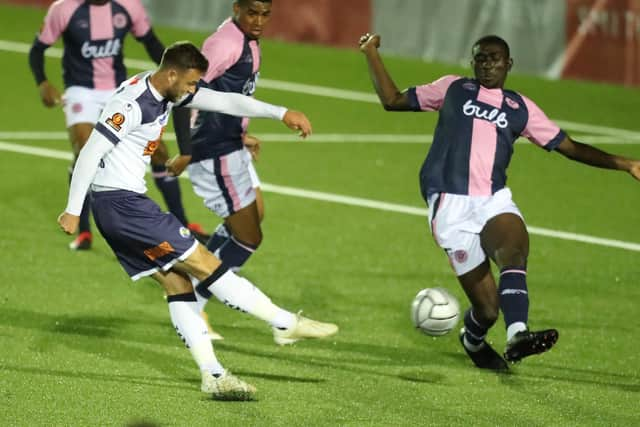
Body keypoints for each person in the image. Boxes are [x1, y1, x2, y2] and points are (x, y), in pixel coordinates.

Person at [57, 41, 339, 400]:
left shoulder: (165, 91)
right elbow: (91, 149)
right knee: (207, 264)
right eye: (191, 84)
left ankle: (215, 375)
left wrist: (281, 112)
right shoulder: (131, 104)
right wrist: (73, 208)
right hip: (124, 206)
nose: (194, 91)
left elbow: (227, 101)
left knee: (179, 284)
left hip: (120, 207)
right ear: (172, 74)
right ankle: (285, 323)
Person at [359, 33, 640, 371]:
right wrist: (371, 52)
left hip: (493, 200)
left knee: (514, 250)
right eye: (480, 58)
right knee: (488, 310)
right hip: (451, 206)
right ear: (472, 62)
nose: (487, 63)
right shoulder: (452, 89)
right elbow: (392, 99)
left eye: (494, 58)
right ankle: (472, 339)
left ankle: (518, 333)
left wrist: (625, 164)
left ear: (509, 64)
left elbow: (571, 148)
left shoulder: (521, 108)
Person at [29, 0, 208, 250]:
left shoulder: (128, 6)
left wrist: (179, 77)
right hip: (82, 90)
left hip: (119, 89)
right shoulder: (64, 9)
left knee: (160, 152)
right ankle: (83, 230)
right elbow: (37, 49)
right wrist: (42, 82)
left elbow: (152, 43)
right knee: (85, 147)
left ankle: (182, 222)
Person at [168, 0, 273, 272]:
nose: (259, 21)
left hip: (231, 139)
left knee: (254, 216)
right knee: (248, 236)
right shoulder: (226, 44)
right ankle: (203, 286)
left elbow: (231, 94)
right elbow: (184, 94)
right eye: (252, 13)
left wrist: (242, 131)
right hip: (214, 148)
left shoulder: (246, 38)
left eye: (265, 15)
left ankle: (199, 271)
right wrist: (186, 149)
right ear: (236, 8)